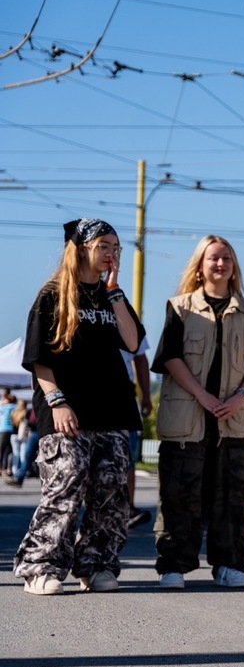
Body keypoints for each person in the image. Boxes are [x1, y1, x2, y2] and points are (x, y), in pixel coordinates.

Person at [14, 218, 145, 595]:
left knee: (110, 489)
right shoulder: (53, 294)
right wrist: (56, 401)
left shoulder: (110, 295)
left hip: (112, 408)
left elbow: (133, 342)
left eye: (116, 248)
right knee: (65, 484)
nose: (111, 253)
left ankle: (97, 564)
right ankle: (41, 567)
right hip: (66, 409)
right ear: (82, 248)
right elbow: (39, 358)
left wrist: (115, 290)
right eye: (104, 245)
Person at [152, 234, 244, 590]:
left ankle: (231, 565)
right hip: (187, 417)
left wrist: (241, 395)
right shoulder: (180, 307)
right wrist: (202, 395)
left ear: (234, 268)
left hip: (233, 419)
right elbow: (170, 357)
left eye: (227, 259)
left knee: (233, 494)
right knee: (178, 494)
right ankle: (174, 565)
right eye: (213, 259)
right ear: (200, 267)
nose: (220, 264)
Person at [122, 336, 154, 527]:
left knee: (128, 458)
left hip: (125, 395)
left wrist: (147, 395)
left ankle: (127, 507)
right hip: (89, 394)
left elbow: (140, 358)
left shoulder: (127, 316)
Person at [0, 390, 15, 475]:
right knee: (9, 451)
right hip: (11, 430)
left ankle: (1, 468)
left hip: (3, 430)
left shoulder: (5, 407)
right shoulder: (14, 406)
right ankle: (7, 468)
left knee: (1, 450)